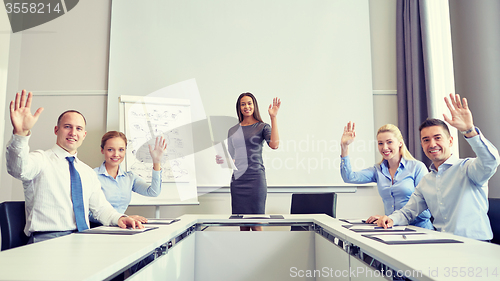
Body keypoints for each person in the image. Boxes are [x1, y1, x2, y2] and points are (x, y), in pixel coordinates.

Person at [6, 90, 142, 243]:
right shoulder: (41, 159)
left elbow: (101, 208)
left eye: (78, 129)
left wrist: (121, 218)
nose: (73, 133)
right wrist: (20, 134)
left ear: (84, 135)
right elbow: (18, 169)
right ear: (56, 130)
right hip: (47, 240)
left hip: (81, 238)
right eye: (67, 127)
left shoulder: (87, 172)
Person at [378, 94, 500, 241]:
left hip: (475, 246)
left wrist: (469, 131)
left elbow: (491, 161)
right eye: (426, 140)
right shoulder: (426, 181)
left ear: (450, 141)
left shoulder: (468, 169)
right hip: (442, 246)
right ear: (422, 146)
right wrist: (391, 219)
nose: (432, 144)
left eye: (437, 138)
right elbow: (408, 212)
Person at [340, 122, 433, 229]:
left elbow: (426, 206)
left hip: (420, 229)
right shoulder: (378, 170)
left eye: (389, 142)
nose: (384, 147)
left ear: (400, 143)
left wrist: (394, 218)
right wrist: (344, 147)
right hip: (394, 229)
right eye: (380, 143)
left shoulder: (417, 167)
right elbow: (349, 177)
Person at [216, 93, 281, 231]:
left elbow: (274, 145)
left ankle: (260, 253)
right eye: (243, 104)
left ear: (254, 105)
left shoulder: (262, 127)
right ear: (239, 108)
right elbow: (232, 158)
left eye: (249, 103)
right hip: (238, 181)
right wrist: (223, 160)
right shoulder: (232, 130)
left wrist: (273, 117)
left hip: (256, 179)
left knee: (257, 225)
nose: (247, 106)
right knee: (243, 226)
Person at [91, 131, 167, 225]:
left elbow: (154, 192)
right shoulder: (92, 176)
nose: (116, 154)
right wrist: (121, 218)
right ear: (102, 150)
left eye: (121, 150)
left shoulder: (129, 178)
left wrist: (156, 161)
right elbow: (88, 213)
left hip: (121, 229)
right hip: (97, 230)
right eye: (110, 149)